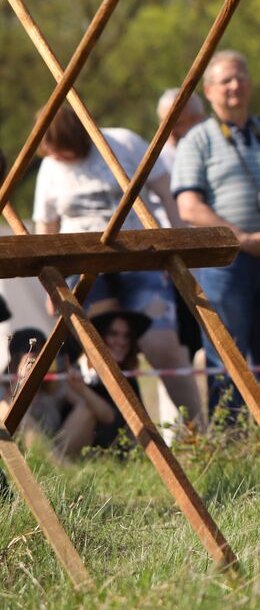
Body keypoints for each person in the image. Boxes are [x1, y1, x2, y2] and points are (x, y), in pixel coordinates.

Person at [31, 103, 203, 427]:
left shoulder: (121, 143)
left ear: (78, 139)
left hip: (141, 260)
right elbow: (46, 228)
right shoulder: (51, 168)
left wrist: (176, 241)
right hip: (84, 268)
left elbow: (165, 189)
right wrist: (49, 285)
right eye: (55, 153)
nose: (61, 158)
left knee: (162, 346)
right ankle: (127, 436)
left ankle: (199, 433)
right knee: (106, 350)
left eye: (65, 151)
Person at [173, 50, 260, 421]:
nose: (235, 86)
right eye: (226, 80)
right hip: (225, 264)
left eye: (240, 78)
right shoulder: (197, 139)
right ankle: (230, 442)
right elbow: (189, 207)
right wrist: (243, 238)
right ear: (210, 90)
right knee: (226, 354)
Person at [1, 328, 111, 460]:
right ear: (16, 360)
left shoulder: (56, 384)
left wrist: (82, 389)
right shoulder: (4, 387)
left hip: (58, 448)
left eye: (44, 352)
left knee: (86, 409)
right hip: (25, 457)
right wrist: (21, 383)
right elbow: (8, 413)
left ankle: (60, 466)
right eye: (34, 352)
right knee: (15, 414)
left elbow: (108, 416)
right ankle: (61, 468)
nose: (40, 358)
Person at [84, 309, 150, 449]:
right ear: (99, 337)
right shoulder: (79, 375)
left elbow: (140, 431)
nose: (121, 341)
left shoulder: (129, 380)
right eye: (113, 334)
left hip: (119, 462)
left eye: (127, 336)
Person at [156, 89, 206, 169]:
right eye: (164, 124)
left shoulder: (212, 155)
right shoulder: (156, 163)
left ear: (197, 121)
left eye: (177, 124)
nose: (169, 131)